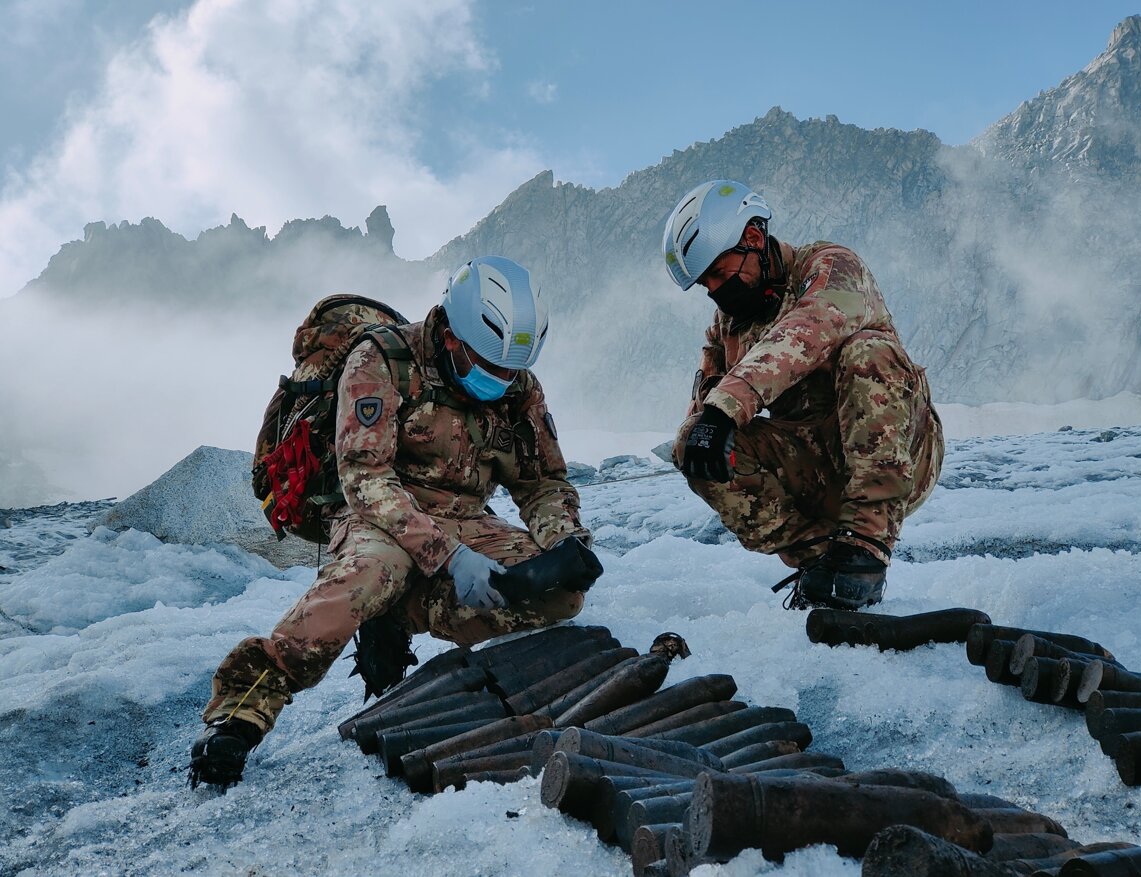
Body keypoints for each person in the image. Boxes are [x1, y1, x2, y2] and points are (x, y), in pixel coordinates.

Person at [190, 256, 594, 788]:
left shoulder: (518, 386)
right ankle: (242, 710)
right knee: (370, 576)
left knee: (560, 597)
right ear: (452, 337)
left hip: (465, 520)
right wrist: (448, 558)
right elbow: (365, 478)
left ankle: (402, 611)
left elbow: (541, 483)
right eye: (489, 367)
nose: (501, 381)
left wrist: (565, 541)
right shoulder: (380, 361)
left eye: (509, 371)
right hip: (377, 514)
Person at [662, 180, 943, 611]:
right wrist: (702, 434)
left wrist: (726, 408)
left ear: (753, 239)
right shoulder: (727, 327)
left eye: (719, 273)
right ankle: (822, 562)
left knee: (870, 352)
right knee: (696, 438)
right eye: (706, 284)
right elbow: (706, 409)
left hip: (901, 452)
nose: (716, 290)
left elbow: (809, 329)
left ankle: (865, 546)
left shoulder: (831, 267)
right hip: (815, 464)